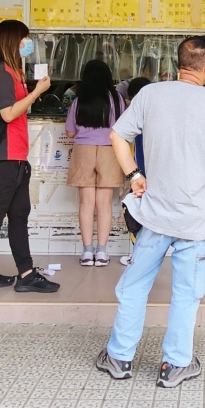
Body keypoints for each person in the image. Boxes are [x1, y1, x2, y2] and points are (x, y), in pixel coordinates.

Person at [96, 36, 205, 389]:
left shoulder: (150, 94)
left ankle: (119, 357)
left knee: (134, 287)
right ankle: (175, 364)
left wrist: (134, 175)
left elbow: (117, 136)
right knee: (186, 293)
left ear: (179, 63)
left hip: (155, 216)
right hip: (193, 219)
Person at [0, 20, 59, 293]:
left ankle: (27, 273)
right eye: (25, 39)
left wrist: (32, 90)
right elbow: (8, 114)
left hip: (16, 156)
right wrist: (36, 93)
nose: (28, 43)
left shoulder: (13, 71)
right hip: (4, 157)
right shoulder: (1, 73)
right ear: (13, 40)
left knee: (19, 215)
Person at [66, 59, 125, 267]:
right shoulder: (117, 99)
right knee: (104, 204)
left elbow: (70, 132)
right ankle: (101, 252)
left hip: (83, 151)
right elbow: (123, 129)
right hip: (110, 151)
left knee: (86, 204)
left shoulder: (79, 100)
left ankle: (87, 252)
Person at [120, 76, 152, 267]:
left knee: (135, 214)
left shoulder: (136, 116)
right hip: (158, 174)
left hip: (141, 175)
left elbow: (118, 138)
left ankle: (138, 254)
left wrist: (134, 175)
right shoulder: (157, 114)